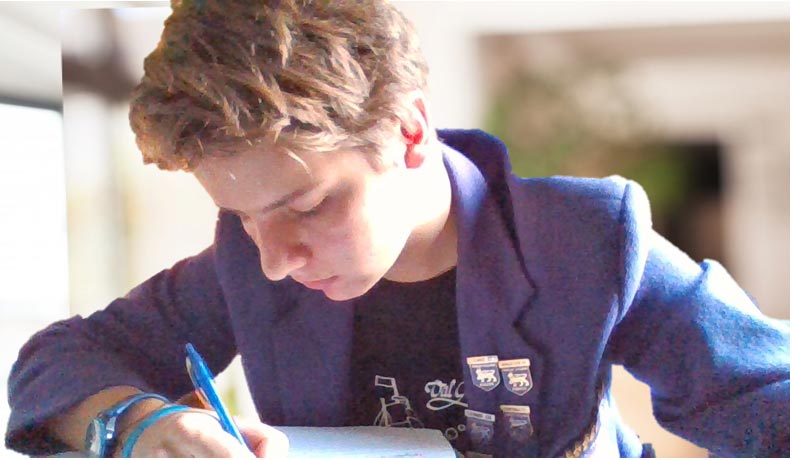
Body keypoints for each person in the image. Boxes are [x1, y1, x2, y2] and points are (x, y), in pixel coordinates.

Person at [5, 0, 790, 457]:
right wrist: (137, 424)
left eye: (307, 208)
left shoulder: (586, 240)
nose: (275, 261)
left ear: (411, 132)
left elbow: (767, 396)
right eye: (242, 218)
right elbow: (53, 362)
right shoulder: (244, 264)